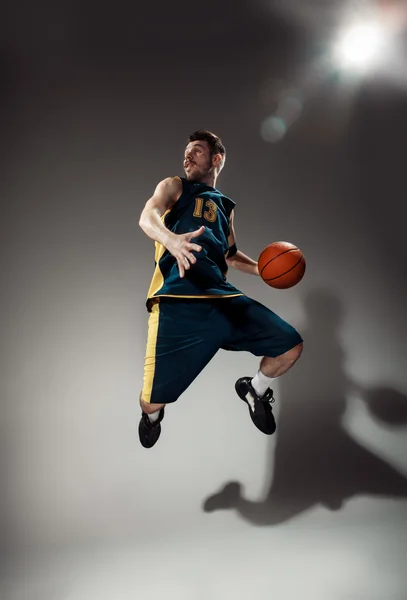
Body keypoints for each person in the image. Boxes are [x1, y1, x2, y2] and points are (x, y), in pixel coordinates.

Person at [138, 129, 303, 448]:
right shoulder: (175, 186)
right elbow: (147, 216)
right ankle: (152, 417)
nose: (188, 155)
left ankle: (254, 389)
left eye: (196, 150)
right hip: (177, 299)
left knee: (290, 346)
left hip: (221, 298)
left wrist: (262, 270)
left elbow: (229, 253)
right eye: (186, 150)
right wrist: (171, 240)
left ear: (216, 159)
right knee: (151, 402)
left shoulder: (224, 206)